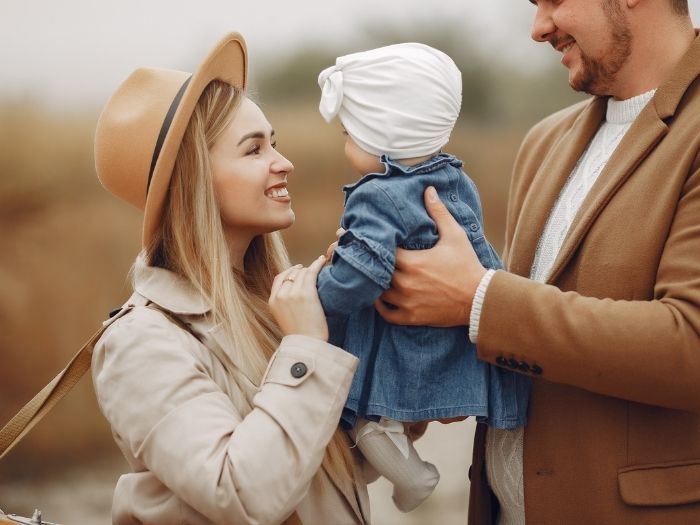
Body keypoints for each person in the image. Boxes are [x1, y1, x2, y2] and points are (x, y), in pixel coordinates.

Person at [376, 1, 700, 524]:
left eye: (554, 1)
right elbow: (524, 338)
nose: (538, 28)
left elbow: (691, 343)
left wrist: (478, 299)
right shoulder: (544, 141)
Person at [91, 32, 372, 525]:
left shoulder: (273, 303)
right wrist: (307, 348)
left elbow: (327, 470)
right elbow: (243, 494)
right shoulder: (142, 342)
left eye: (275, 143)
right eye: (254, 150)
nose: (284, 163)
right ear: (195, 178)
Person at [315, 43, 530, 512]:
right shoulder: (453, 177)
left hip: (400, 342)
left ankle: (411, 476)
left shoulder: (377, 196)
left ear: (382, 136)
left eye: (351, 133)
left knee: (371, 419)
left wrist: (318, 294)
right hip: (446, 338)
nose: (345, 143)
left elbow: (364, 275)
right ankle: (387, 464)